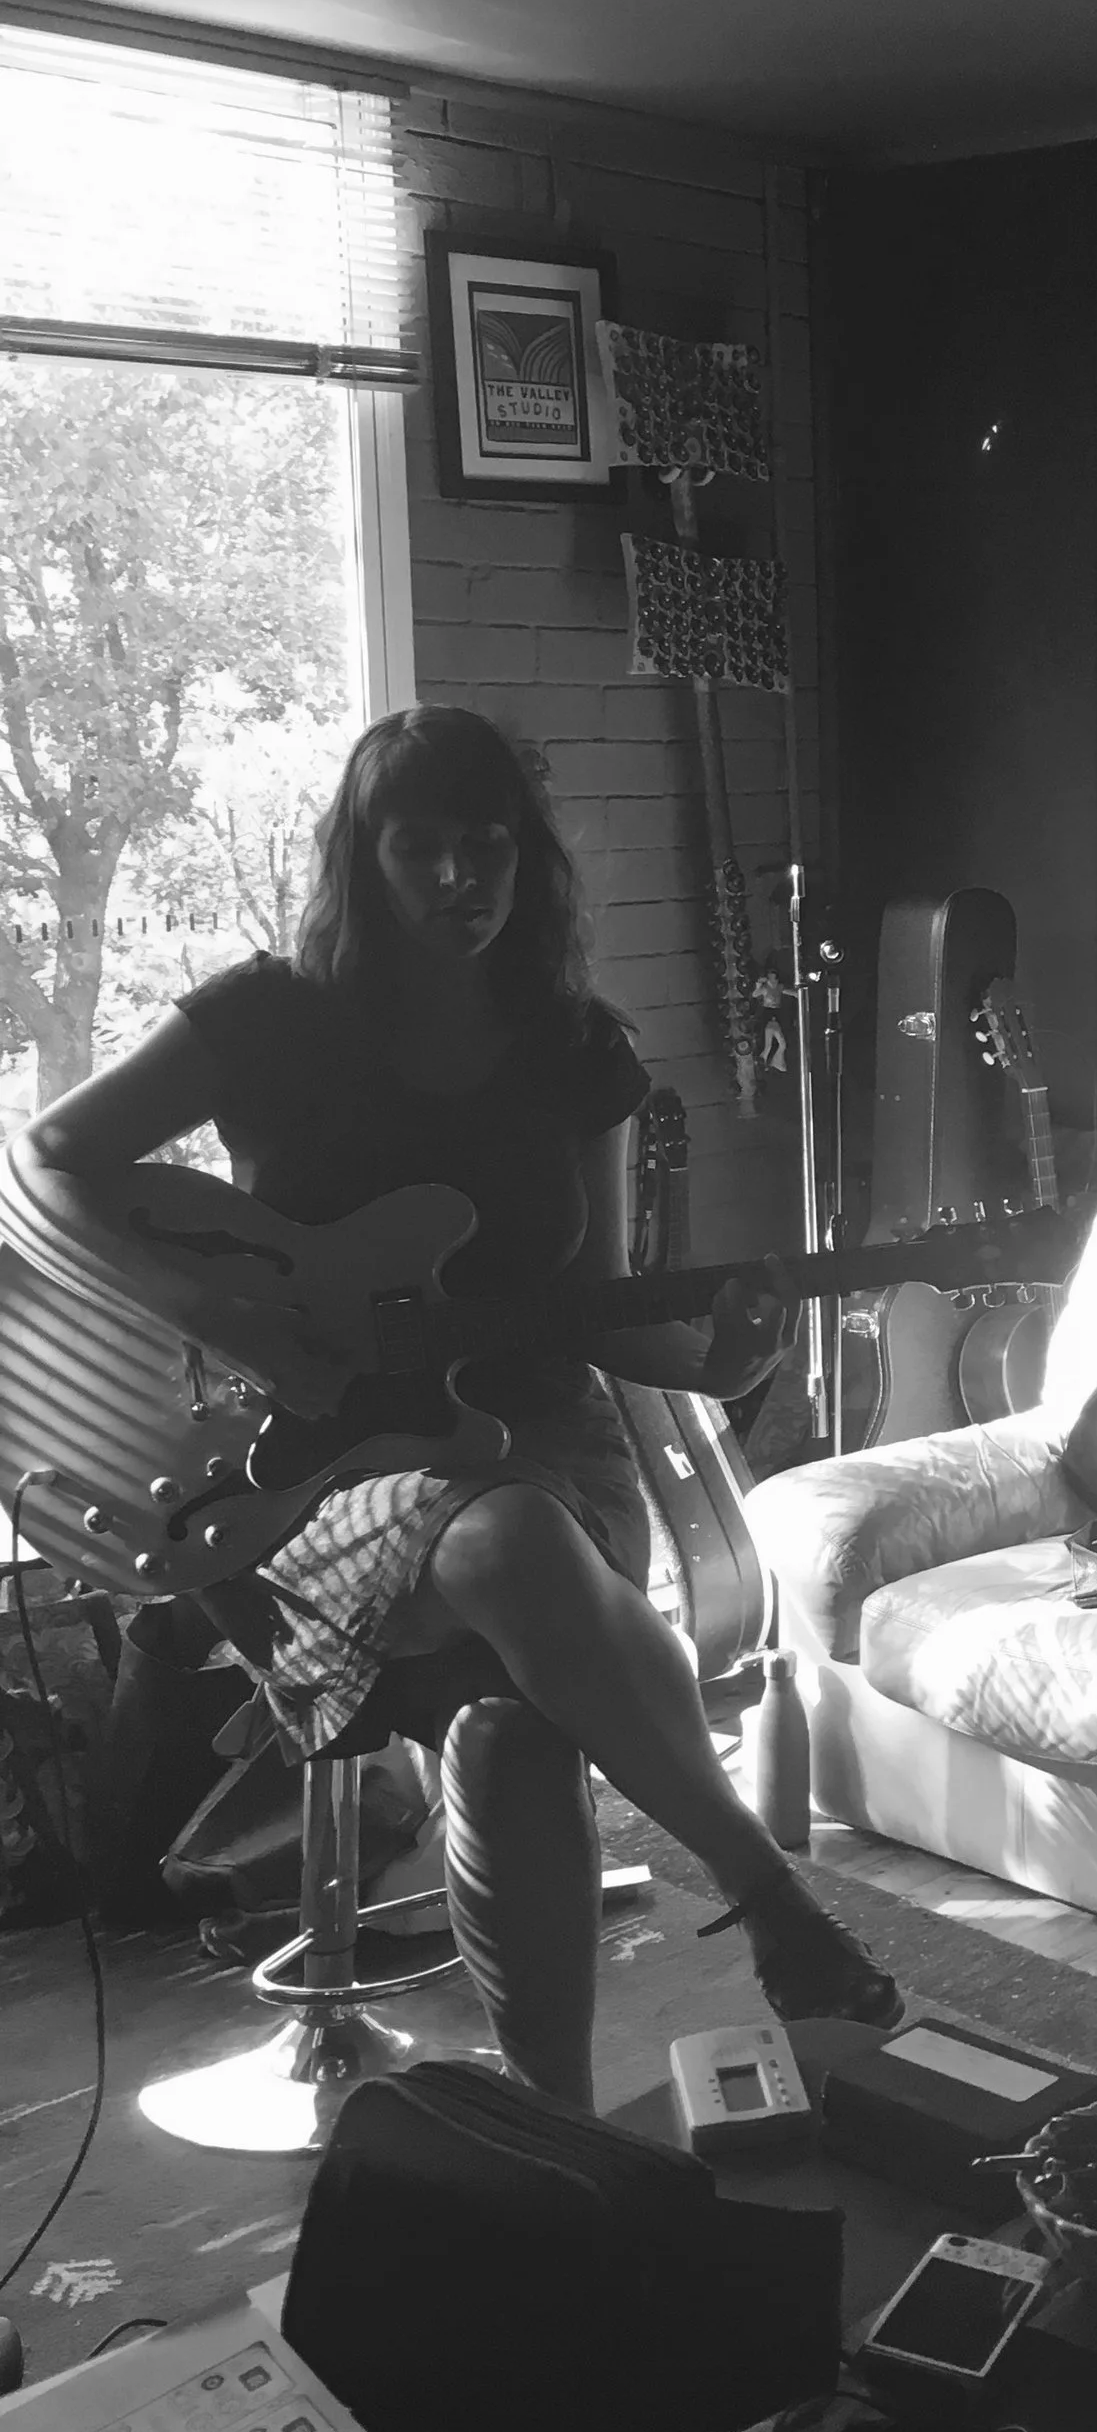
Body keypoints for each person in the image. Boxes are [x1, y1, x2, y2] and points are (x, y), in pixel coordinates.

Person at [10, 705, 897, 2105]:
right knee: (509, 1542)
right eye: (418, 845)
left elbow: (596, 1304)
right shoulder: (266, 1018)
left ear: (527, 859)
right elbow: (51, 1156)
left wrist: (728, 1362)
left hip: (544, 1441)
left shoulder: (575, 1048)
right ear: (361, 858)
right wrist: (219, 1313)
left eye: (487, 844)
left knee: (519, 1717)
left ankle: (554, 2129)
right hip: (303, 1472)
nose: (456, 877)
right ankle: (768, 1895)